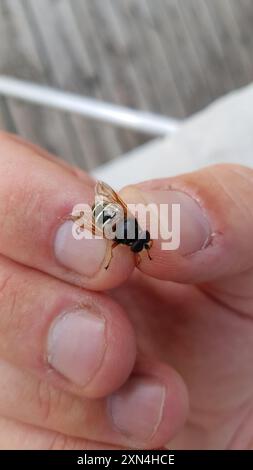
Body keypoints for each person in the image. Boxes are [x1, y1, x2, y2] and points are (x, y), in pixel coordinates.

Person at [0, 130, 252, 450]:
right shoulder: (126, 237)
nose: (143, 245)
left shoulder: (130, 237)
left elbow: (115, 228)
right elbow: (113, 232)